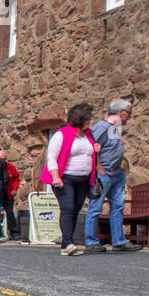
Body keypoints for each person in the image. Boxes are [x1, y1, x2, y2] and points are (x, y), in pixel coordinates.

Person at [84, 98, 143, 253]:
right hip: (105, 175)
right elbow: (91, 147)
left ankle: (119, 241)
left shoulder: (114, 127)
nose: (129, 117)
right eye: (128, 114)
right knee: (95, 207)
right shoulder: (102, 127)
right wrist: (100, 168)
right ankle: (91, 242)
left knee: (118, 207)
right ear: (119, 113)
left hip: (116, 174)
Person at [38, 103, 97, 256]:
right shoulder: (61, 134)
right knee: (68, 209)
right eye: (88, 118)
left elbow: (91, 156)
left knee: (76, 210)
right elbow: (51, 158)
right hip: (66, 179)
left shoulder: (89, 135)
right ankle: (68, 243)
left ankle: (66, 245)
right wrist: (56, 177)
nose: (90, 121)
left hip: (83, 179)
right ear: (80, 118)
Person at [0, 148, 23, 240]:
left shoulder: (10, 167)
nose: (2, 161)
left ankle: (14, 233)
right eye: (0, 159)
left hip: (8, 194)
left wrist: (14, 189)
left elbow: (16, 179)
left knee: (10, 213)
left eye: (3, 159)